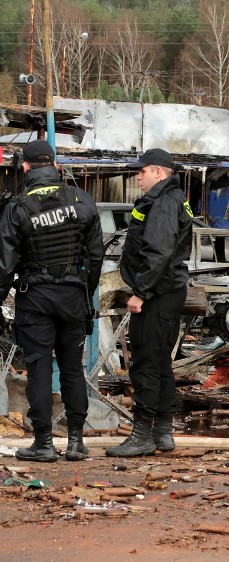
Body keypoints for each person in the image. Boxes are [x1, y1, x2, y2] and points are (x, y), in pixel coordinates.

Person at [0, 140, 104, 462]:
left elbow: (5, 265)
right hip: (73, 297)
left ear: (26, 168)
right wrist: (84, 289)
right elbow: (96, 255)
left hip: (36, 300)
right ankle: (76, 442)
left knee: (39, 367)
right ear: (55, 165)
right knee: (73, 369)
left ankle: (43, 443)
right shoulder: (82, 199)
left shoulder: (18, 207)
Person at [106, 148, 193, 457]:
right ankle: (163, 432)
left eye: (142, 171)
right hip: (165, 291)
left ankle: (143, 434)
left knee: (145, 362)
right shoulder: (169, 198)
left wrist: (140, 292)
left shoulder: (165, 202)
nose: (137, 176)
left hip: (156, 294)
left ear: (158, 172)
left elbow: (158, 251)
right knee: (159, 362)